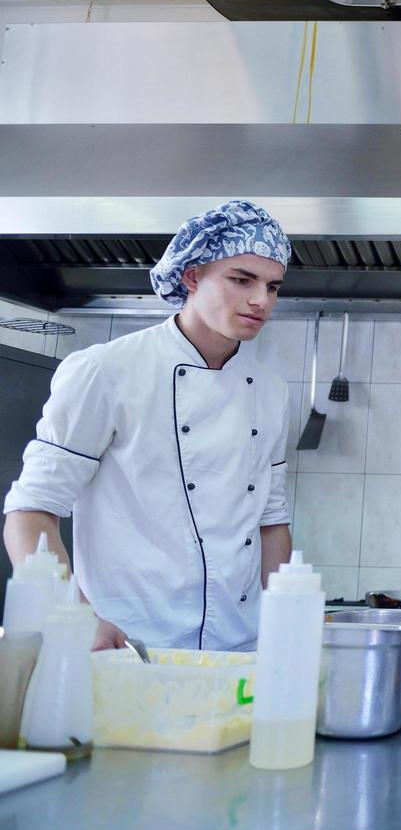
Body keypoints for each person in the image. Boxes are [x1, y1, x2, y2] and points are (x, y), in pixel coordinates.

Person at [3, 200, 294, 651]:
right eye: (242, 279)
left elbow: (271, 522)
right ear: (192, 276)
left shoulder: (271, 389)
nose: (261, 300)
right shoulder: (107, 371)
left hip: (240, 651)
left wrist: (283, 630)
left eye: (273, 286)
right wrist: (75, 616)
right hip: (128, 646)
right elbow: (30, 512)